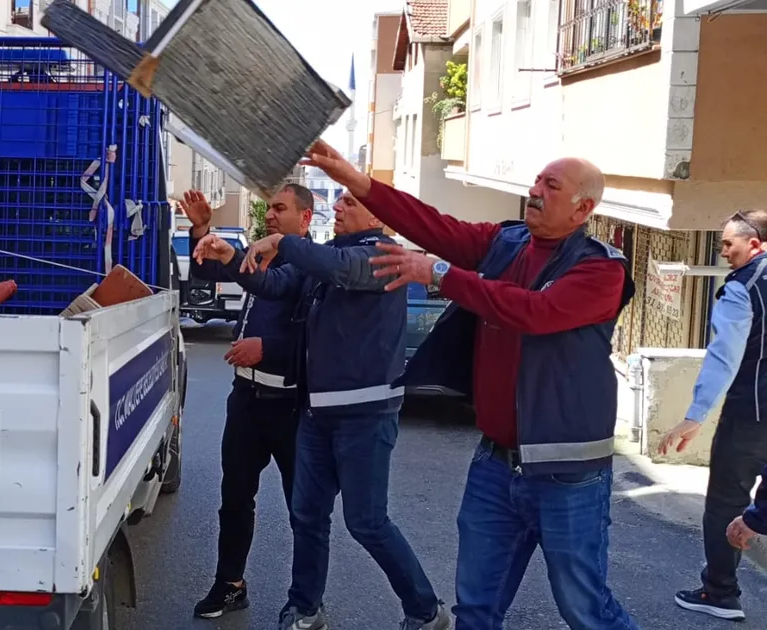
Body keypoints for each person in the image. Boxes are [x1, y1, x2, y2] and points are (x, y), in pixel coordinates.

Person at [301, 140, 639, 630]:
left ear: (583, 208)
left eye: (551, 185)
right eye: (537, 181)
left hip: (567, 472)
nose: (535, 191)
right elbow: (437, 227)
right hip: (497, 464)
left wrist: (440, 273)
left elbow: (532, 311)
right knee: (476, 609)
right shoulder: (509, 241)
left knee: (585, 609)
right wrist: (360, 183)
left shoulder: (601, 268)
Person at [193, 192, 451, 630]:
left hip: (365, 415)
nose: (340, 206)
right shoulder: (326, 254)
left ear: (378, 215)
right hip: (315, 414)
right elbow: (273, 284)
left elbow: (343, 271)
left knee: (367, 522)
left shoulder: (384, 255)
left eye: (350, 201)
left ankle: (426, 611)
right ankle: (305, 609)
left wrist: (282, 243)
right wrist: (232, 255)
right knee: (308, 516)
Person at [181, 186, 312, 619]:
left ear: (305, 219)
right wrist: (202, 229)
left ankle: (306, 600)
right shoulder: (258, 255)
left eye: (281, 209)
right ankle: (230, 584)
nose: (270, 216)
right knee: (235, 497)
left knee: (303, 509)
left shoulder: (310, 266)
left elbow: (314, 337)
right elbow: (204, 277)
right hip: (245, 400)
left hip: (290, 406)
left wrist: (267, 348)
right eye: (269, 208)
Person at [657, 210, 767, 622]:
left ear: (754, 244)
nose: (723, 252)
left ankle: (719, 592)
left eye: (728, 244)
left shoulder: (744, 288)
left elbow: (724, 356)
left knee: (726, 500)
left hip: (752, 414)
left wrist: (695, 415)